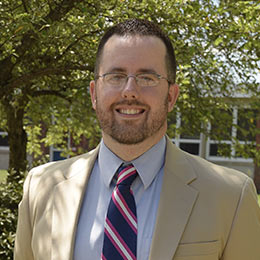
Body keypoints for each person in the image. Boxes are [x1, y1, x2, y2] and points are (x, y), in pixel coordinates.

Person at [14, 18, 260, 260]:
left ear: (171, 96)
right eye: (115, 76)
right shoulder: (41, 188)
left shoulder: (231, 196)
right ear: (94, 94)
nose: (129, 90)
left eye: (147, 78)